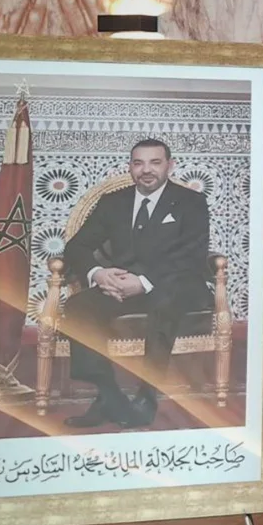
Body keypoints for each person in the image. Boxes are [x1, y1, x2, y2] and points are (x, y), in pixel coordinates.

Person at [60, 137, 211, 428]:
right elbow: (77, 247)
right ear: (130, 167)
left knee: (164, 301)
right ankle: (108, 395)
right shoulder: (113, 202)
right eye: (138, 163)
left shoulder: (191, 202)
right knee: (79, 306)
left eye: (155, 162)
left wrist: (144, 282)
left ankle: (146, 396)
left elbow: (191, 256)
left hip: (177, 285)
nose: (146, 170)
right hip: (123, 285)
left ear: (170, 165)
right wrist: (98, 274)